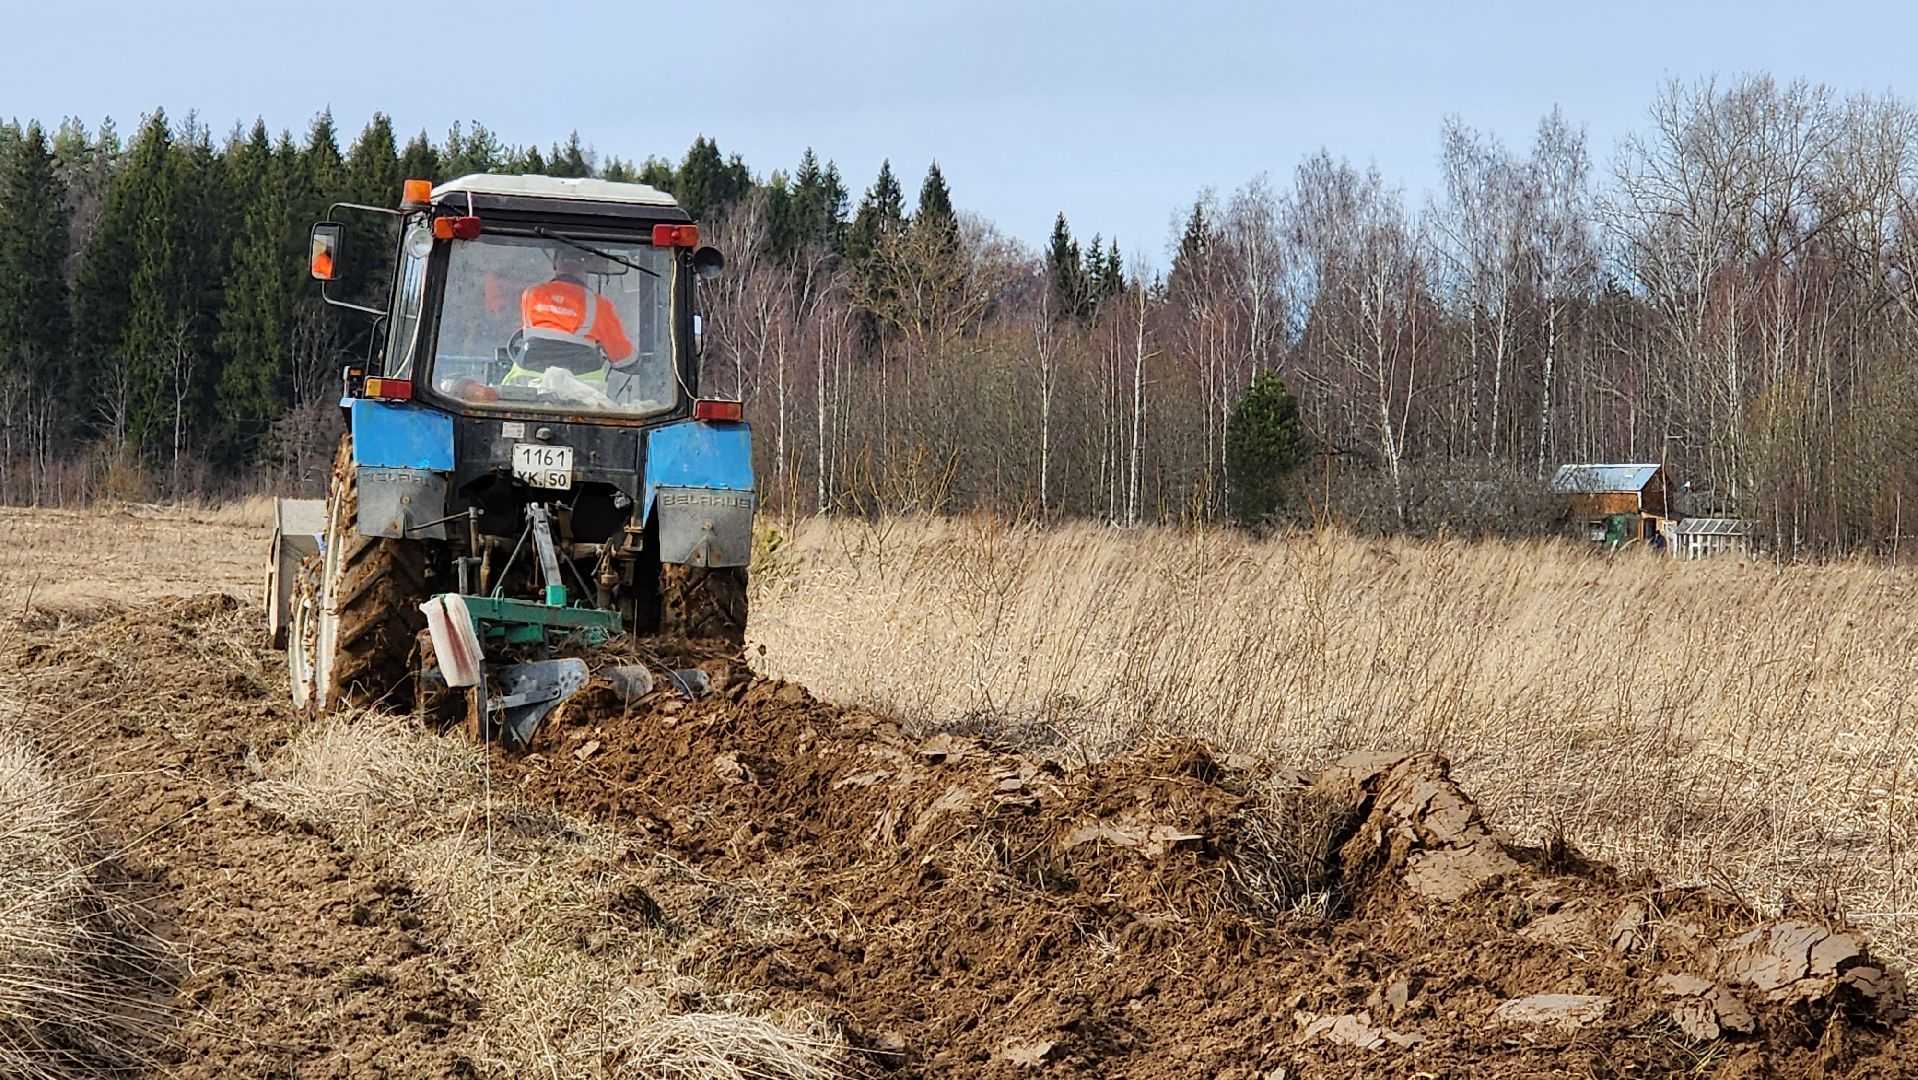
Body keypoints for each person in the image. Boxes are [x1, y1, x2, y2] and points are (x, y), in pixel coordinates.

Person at [503, 248, 636, 387]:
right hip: (583, 393)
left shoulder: (531, 295)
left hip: (527, 387)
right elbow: (623, 358)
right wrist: (639, 364)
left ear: (555, 262)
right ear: (587, 265)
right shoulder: (598, 305)